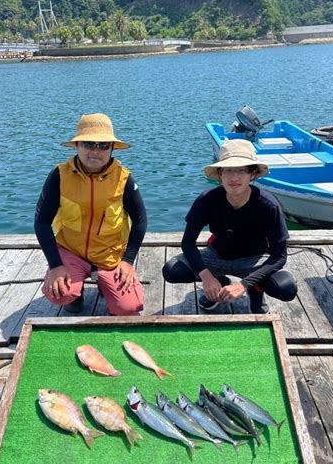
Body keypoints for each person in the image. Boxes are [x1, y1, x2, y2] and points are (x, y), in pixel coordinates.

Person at [162, 139, 297, 313]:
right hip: (217, 254)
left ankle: (256, 291)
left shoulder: (269, 206)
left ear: (253, 174)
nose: (234, 178)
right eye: (228, 171)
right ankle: (220, 283)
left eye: (242, 171)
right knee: (172, 271)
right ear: (220, 174)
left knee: (286, 288)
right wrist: (206, 276)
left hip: (254, 258)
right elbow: (188, 242)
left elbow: (279, 257)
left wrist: (243, 285)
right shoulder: (207, 200)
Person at [34, 112, 147, 315]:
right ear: (77, 146)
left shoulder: (124, 178)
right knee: (60, 294)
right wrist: (55, 265)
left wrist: (128, 261)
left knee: (129, 308)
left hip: (110, 255)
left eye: (103, 145)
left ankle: (105, 283)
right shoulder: (59, 175)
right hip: (71, 250)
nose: (96, 151)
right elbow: (42, 223)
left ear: (112, 148)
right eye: (88, 144)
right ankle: (74, 296)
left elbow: (140, 220)